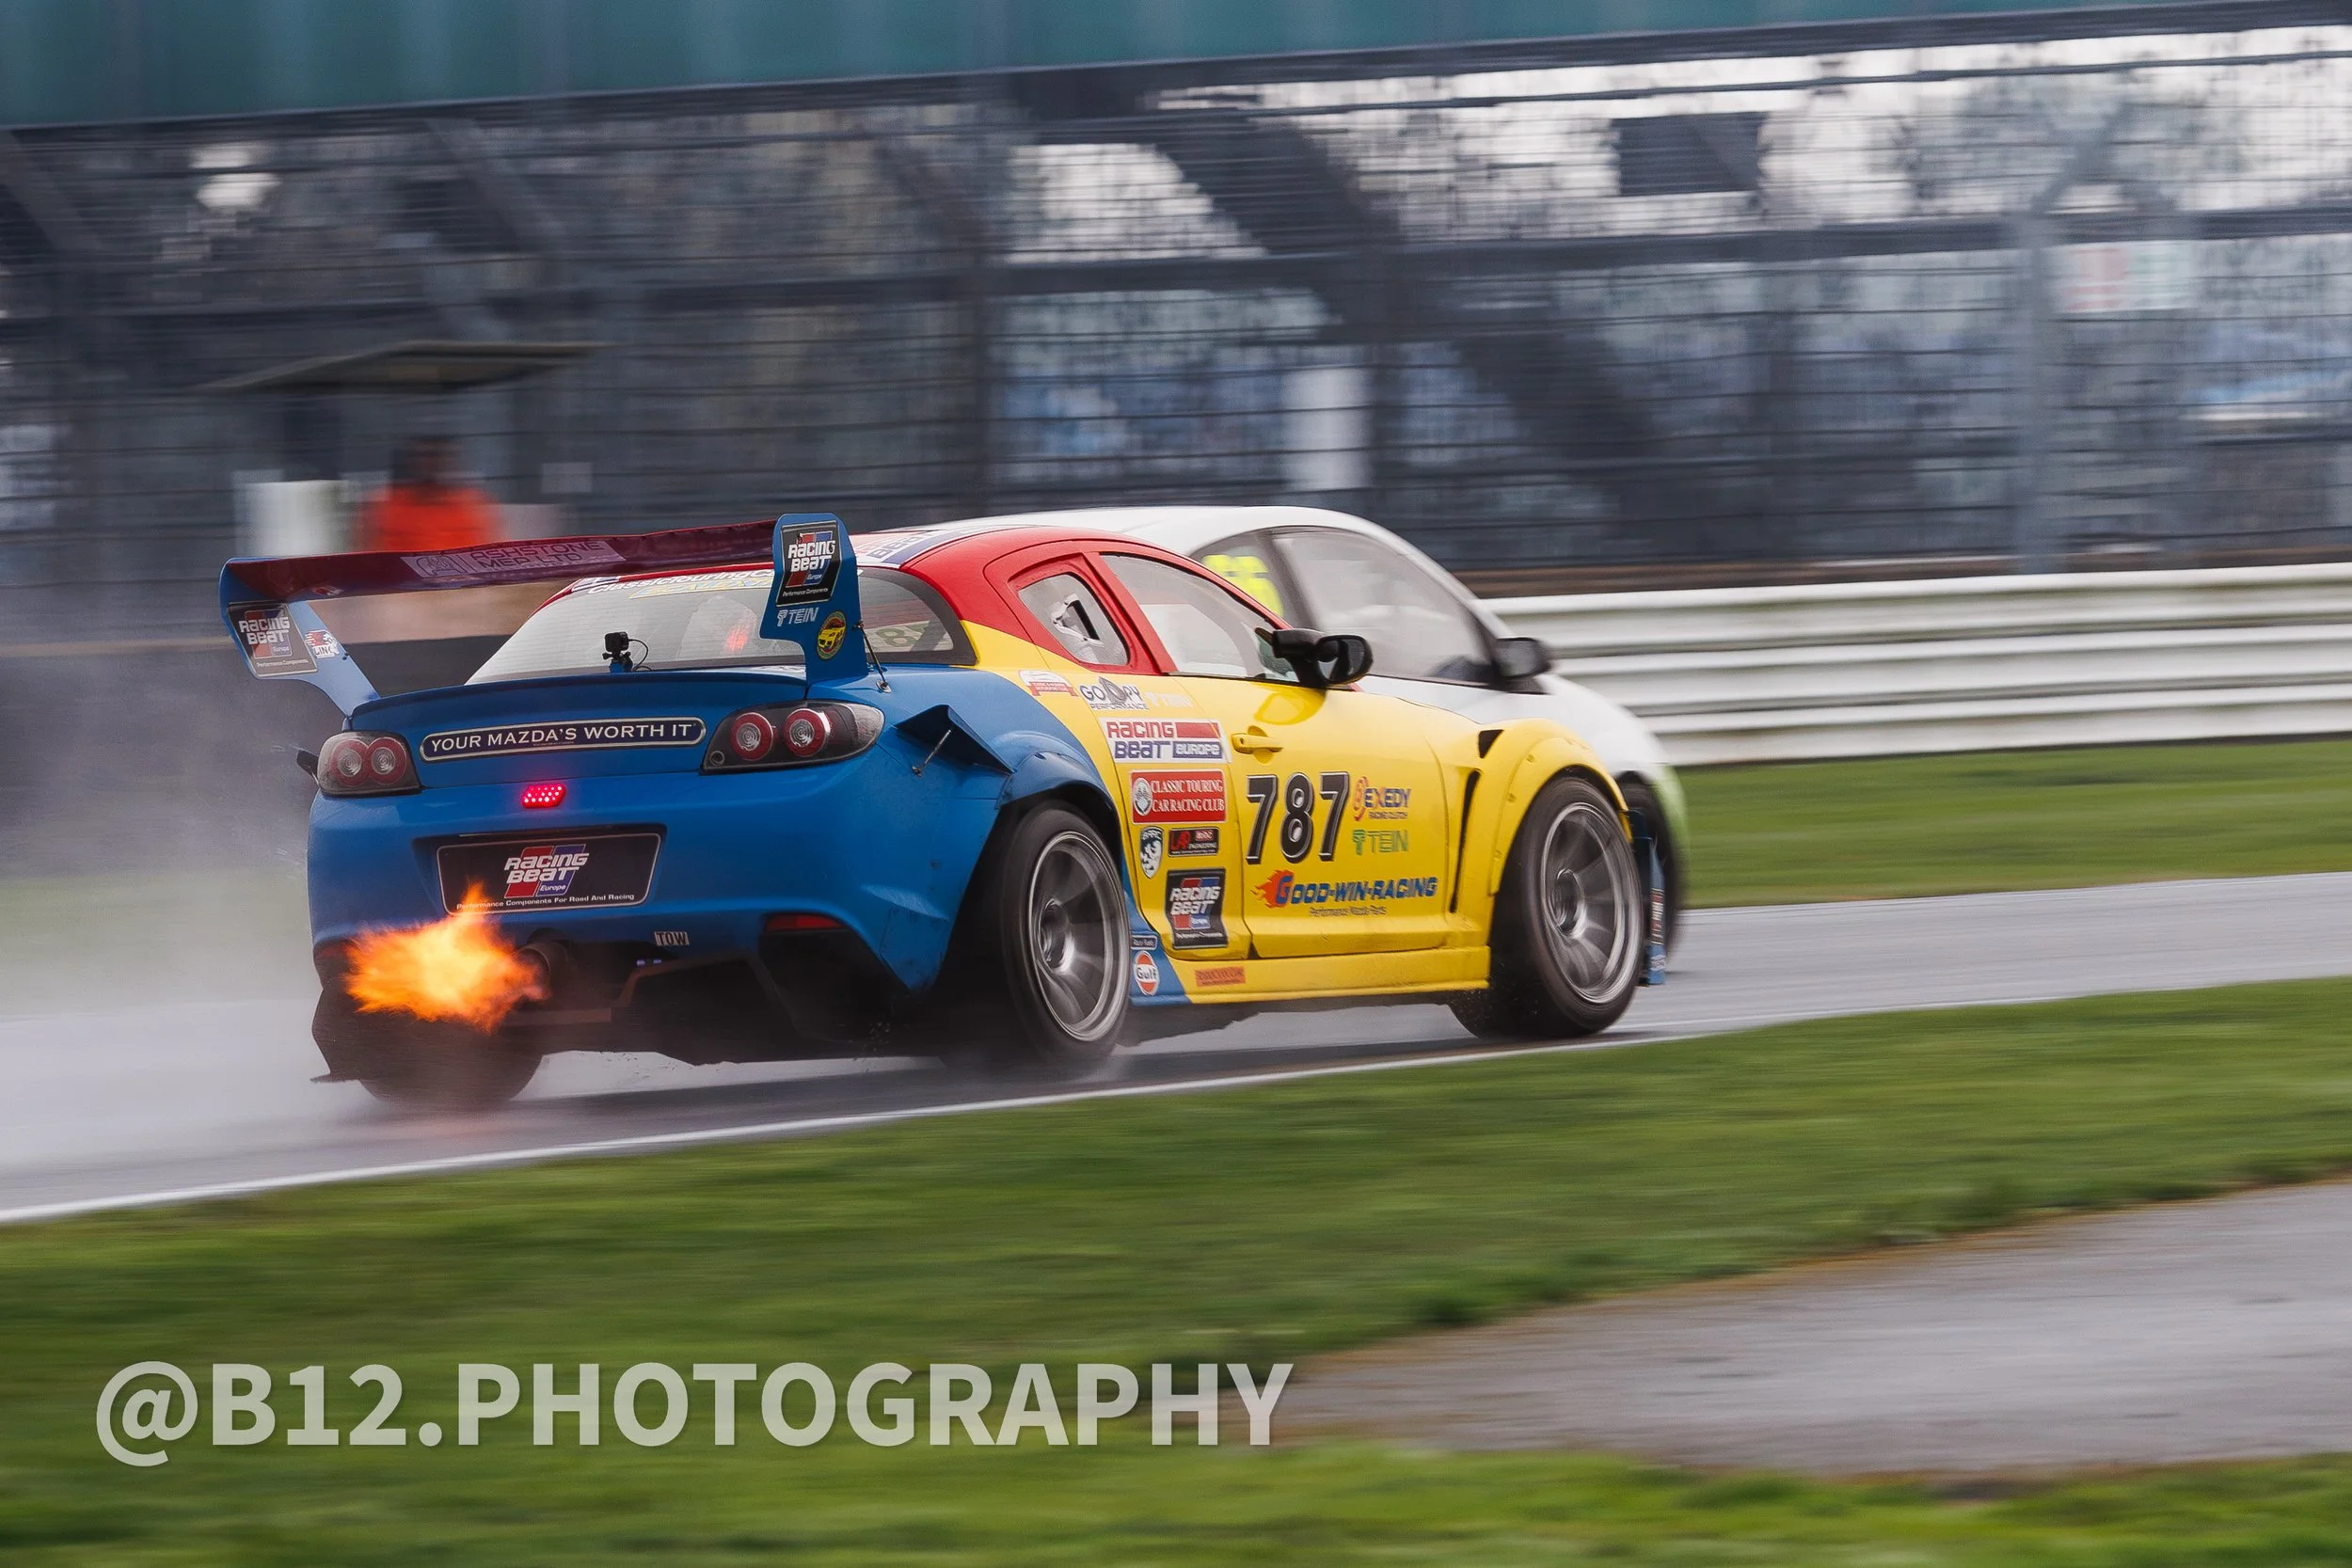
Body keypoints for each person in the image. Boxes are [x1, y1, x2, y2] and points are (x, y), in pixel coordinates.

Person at [358, 436, 501, 553]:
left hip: (463, 585)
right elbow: (369, 557)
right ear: (411, 461)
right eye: (425, 456)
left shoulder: (474, 504)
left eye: (439, 456)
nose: (433, 463)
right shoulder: (385, 505)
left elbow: (491, 553)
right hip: (404, 584)